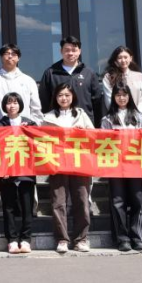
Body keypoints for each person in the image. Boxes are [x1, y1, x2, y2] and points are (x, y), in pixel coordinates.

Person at [42, 83, 95, 255]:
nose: (63, 98)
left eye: (67, 95)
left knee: (81, 200)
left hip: (79, 163)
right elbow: (41, 140)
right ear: (55, 98)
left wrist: (83, 132)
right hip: (57, 164)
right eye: (60, 95)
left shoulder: (81, 115)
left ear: (73, 97)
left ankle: (81, 239)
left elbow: (94, 136)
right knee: (58, 202)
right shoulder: (48, 117)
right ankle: (62, 239)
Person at [100, 84, 142, 253]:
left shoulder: (140, 117)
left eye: (124, 95)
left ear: (129, 96)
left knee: (138, 200)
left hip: (136, 164)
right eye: (118, 95)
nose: (121, 98)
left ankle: (138, 237)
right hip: (115, 165)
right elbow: (103, 143)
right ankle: (122, 239)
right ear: (113, 97)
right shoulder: (107, 119)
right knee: (118, 201)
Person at [0, 92, 38, 255]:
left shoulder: (30, 123)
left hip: (26, 171)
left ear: (20, 104)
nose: (12, 105)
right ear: (4, 106)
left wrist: (30, 131)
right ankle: (12, 240)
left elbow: (37, 145)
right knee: (8, 208)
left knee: (27, 207)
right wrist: (2, 169)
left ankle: (26, 239)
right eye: (9, 102)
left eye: (15, 102)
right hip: (6, 172)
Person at [39, 36, 102, 124]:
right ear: (61, 51)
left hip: (83, 123)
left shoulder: (88, 73)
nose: (70, 53)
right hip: (58, 123)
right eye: (67, 50)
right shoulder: (51, 73)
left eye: (74, 50)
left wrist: (96, 124)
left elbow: (97, 101)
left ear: (79, 51)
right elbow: (44, 100)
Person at [0, 44, 42, 128]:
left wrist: (34, 126)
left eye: (13, 54)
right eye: (6, 53)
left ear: (18, 58)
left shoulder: (29, 81)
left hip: (25, 129)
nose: (10, 56)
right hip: (1, 129)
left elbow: (35, 108)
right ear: (1, 57)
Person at [102, 46, 142, 119]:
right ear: (115, 60)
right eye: (120, 58)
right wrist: (121, 115)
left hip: (139, 118)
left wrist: (138, 114)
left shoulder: (140, 76)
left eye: (125, 57)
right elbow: (109, 99)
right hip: (118, 119)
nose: (123, 60)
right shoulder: (109, 77)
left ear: (130, 58)